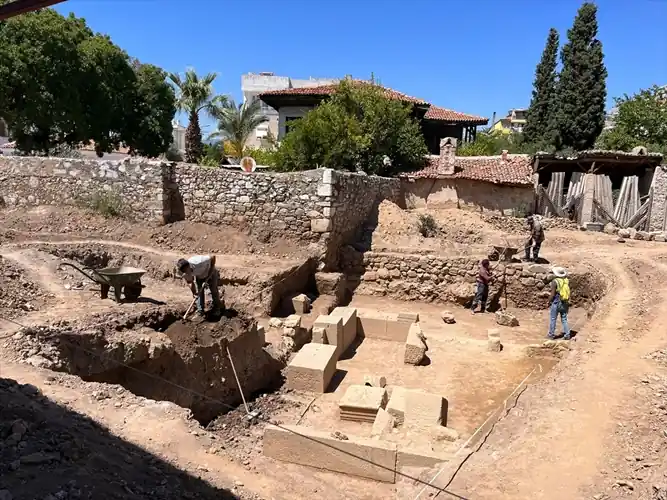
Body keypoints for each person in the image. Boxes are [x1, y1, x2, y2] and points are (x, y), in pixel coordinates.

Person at [547, 266, 571, 340]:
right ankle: (567, 334)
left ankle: (551, 335)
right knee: (564, 319)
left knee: (553, 318)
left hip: (557, 302)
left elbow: (552, 294)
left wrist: (549, 301)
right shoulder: (566, 280)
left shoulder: (555, 281)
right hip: (565, 302)